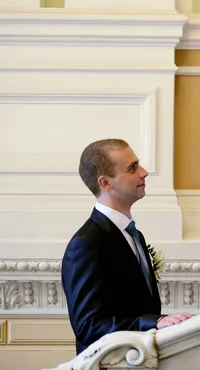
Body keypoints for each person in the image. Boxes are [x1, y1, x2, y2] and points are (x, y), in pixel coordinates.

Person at [61, 139, 192, 354]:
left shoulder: (134, 235)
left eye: (138, 164)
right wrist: (154, 323)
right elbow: (88, 326)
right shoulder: (86, 244)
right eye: (132, 168)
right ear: (105, 183)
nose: (144, 172)